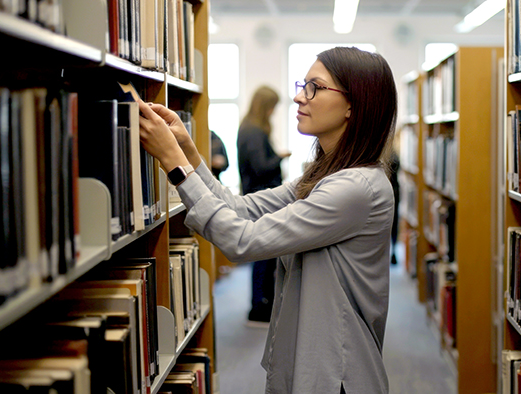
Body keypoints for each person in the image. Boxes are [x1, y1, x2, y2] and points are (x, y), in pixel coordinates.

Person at [137, 46, 398, 394]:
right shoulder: (326, 176)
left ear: (353, 104)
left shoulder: (356, 188)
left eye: (314, 88)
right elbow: (241, 208)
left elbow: (242, 241)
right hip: (306, 361)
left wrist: (176, 167)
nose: (298, 97)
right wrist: (190, 154)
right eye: (302, 85)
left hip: (336, 375)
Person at [236, 85, 289, 326]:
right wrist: (280, 157)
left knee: (265, 255)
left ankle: (262, 303)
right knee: (263, 256)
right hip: (262, 197)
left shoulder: (248, 128)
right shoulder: (254, 132)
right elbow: (260, 167)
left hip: (257, 195)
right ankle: (259, 307)